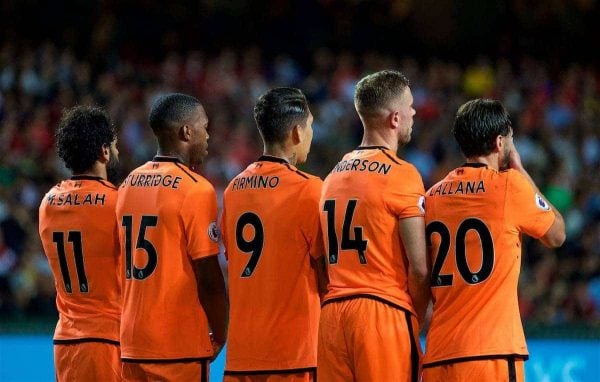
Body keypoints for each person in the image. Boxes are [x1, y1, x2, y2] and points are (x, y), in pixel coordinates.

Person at [422, 99, 566, 381]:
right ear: (500, 142)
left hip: (439, 355)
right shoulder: (509, 186)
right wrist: (520, 170)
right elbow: (557, 234)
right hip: (491, 352)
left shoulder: (432, 196)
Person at [318, 70, 429, 382]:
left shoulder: (332, 176)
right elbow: (419, 268)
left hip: (333, 316)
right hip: (382, 312)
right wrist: (412, 318)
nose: (414, 112)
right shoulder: (402, 175)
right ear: (395, 118)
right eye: (410, 106)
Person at [116, 93, 227, 381]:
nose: (208, 135)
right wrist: (221, 330)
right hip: (176, 345)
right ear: (186, 132)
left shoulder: (128, 184)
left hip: (131, 343)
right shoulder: (195, 189)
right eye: (204, 126)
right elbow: (208, 276)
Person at [221, 87, 326, 381]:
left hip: (241, 357)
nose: (311, 136)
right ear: (296, 132)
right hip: (293, 357)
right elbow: (326, 274)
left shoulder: (232, 191)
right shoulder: (309, 189)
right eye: (311, 127)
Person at [38, 106, 121, 381]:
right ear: (104, 151)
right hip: (109, 341)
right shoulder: (118, 203)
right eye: (114, 145)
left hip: (65, 343)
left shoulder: (48, 203)